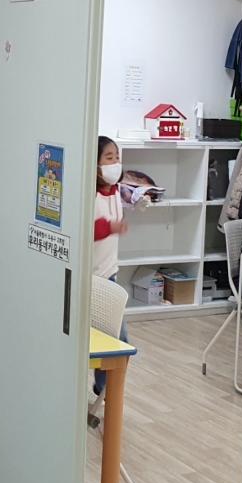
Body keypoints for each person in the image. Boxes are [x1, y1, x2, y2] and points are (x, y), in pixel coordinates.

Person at [93, 135, 129, 396]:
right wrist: (109, 227)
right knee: (117, 341)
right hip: (92, 279)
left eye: (117, 157)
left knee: (115, 340)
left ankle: (103, 391)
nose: (115, 162)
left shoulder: (115, 191)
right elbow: (86, 229)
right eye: (109, 158)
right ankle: (105, 392)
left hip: (110, 275)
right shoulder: (90, 195)